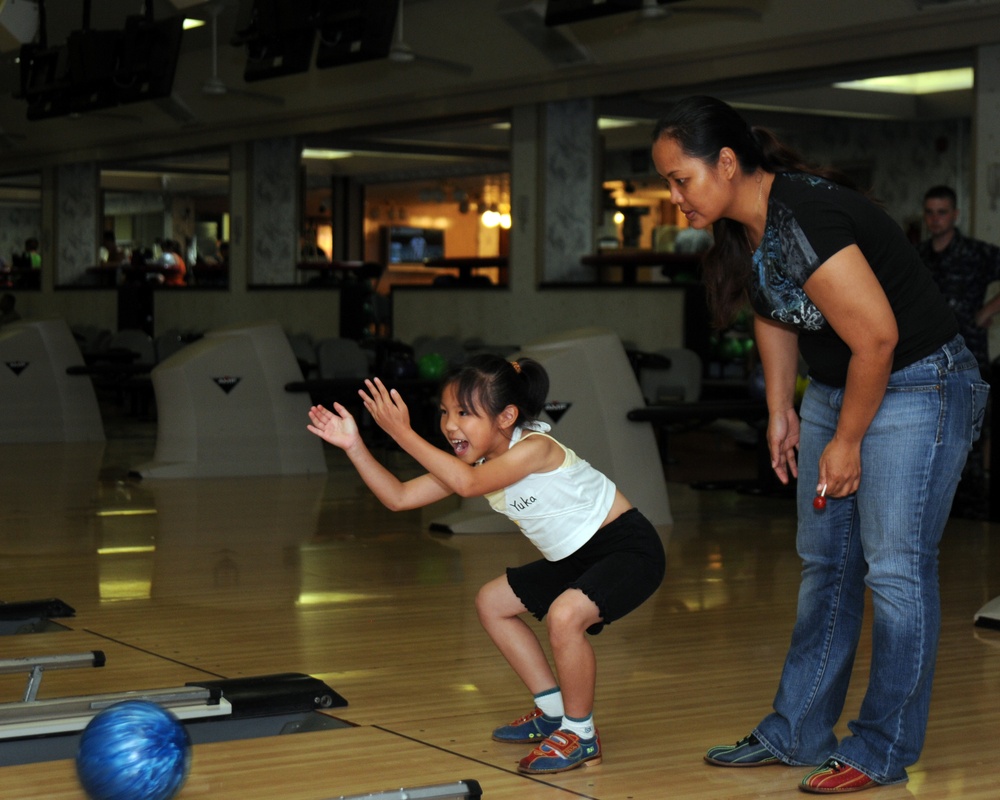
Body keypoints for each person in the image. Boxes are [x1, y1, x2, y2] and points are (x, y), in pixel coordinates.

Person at [651, 96, 987, 793]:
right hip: (844, 387)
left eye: (680, 179)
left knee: (893, 571)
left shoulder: (806, 214)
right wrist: (784, 409)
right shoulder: (749, 226)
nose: (673, 196)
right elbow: (775, 311)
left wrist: (849, 439)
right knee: (825, 563)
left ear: (728, 162)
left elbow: (878, 338)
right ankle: (799, 729)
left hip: (919, 386)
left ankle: (882, 748)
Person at [306, 354, 666, 775]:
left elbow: (469, 485)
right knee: (492, 602)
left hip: (627, 549)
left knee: (565, 617)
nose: (450, 424)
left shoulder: (535, 448)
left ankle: (580, 734)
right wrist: (354, 445)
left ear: (506, 417)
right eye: (444, 412)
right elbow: (398, 497)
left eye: (464, 413)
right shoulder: (475, 464)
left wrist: (401, 432)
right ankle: (552, 712)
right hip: (574, 558)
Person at [917, 185, 1000, 517]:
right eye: (930, 212)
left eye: (942, 212)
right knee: (929, 423)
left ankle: (974, 494)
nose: (935, 219)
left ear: (955, 215)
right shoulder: (918, 255)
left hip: (968, 352)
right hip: (925, 354)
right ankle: (935, 495)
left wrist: (989, 309)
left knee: (970, 424)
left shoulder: (976, 252)